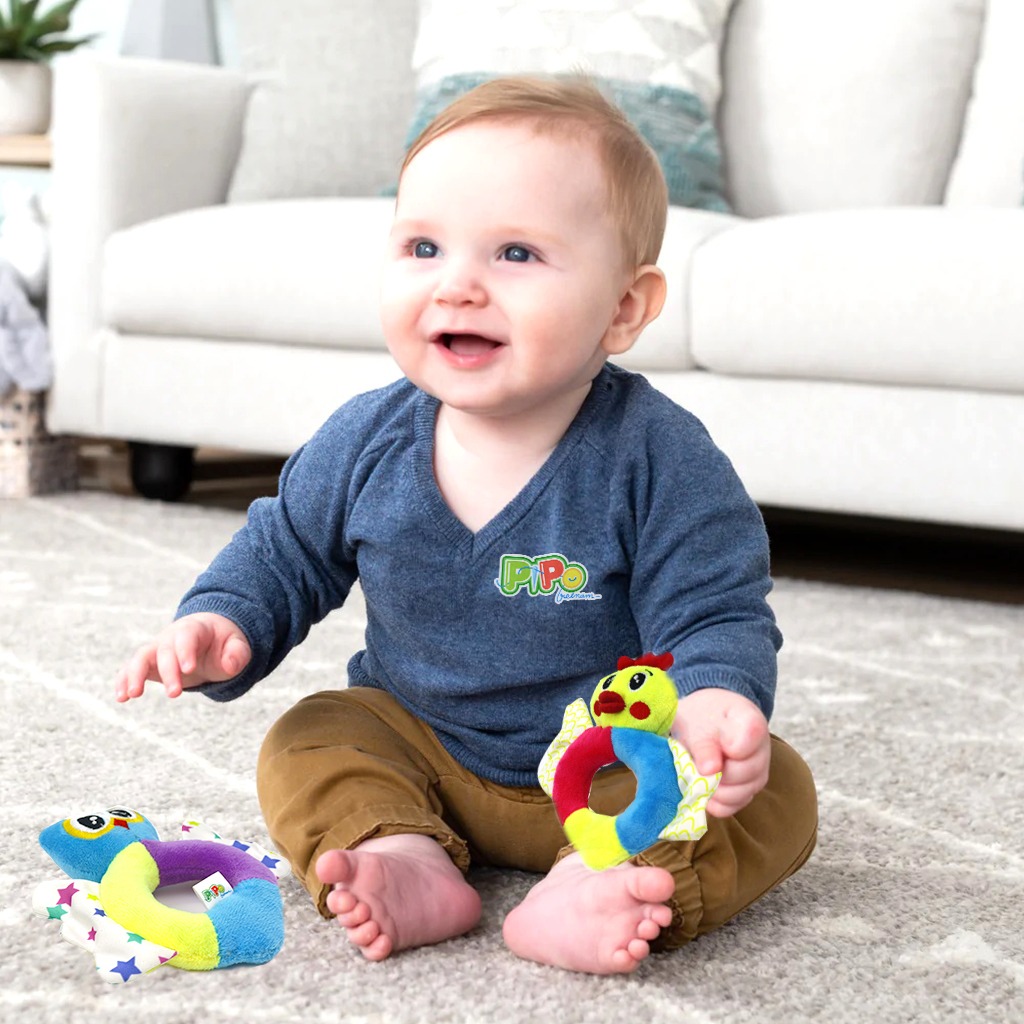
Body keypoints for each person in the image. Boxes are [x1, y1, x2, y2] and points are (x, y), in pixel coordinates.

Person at [114, 76, 817, 975]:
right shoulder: (368, 438)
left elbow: (716, 608)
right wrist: (224, 619)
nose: (457, 286)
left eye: (515, 253)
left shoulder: (660, 458)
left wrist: (717, 700)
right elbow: (285, 549)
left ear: (625, 308)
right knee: (310, 736)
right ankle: (402, 851)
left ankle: (597, 880)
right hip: (421, 746)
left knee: (775, 791)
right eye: (423, 247)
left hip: (612, 771)